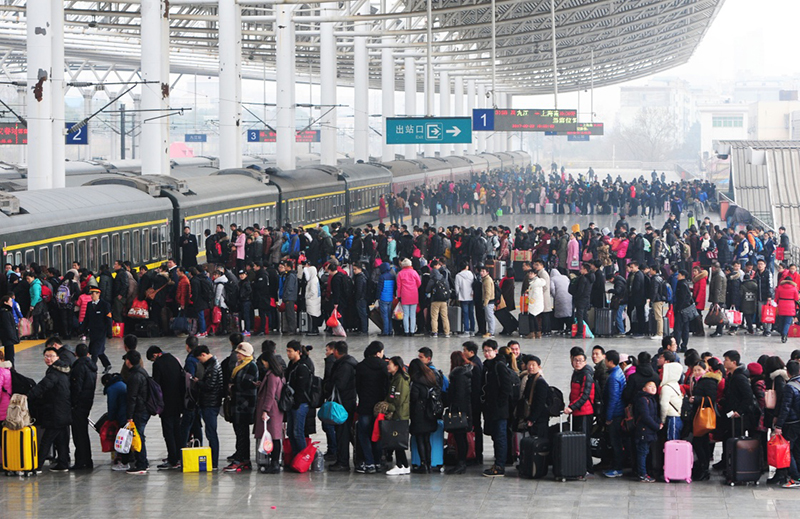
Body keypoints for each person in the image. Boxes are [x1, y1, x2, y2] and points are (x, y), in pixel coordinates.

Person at [28, 346, 72, 472]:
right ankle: (63, 463)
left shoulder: (54, 373)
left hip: (56, 412)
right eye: (46, 356)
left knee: (47, 440)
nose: (48, 359)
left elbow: (42, 387)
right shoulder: (63, 370)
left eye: (51, 356)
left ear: (57, 357)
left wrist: (27, 397)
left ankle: (37, 466)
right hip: (64, 410)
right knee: (62, 439)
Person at [146, 346, 185, 471]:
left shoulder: (158, 364)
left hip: (166, 404)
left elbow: (156, 386)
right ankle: (179, 457)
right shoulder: (173, 358)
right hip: (178, 402)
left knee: (168, 432)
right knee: (177, 430)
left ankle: (172, 459)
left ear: (155, 355)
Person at [223, 342, 259, 473]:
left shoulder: (251, 366)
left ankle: (241, 458)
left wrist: (233, 386)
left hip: (245, 406)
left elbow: (246, 384)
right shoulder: (239, 365)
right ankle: (242, 456)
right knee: (239, 432)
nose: (238, 355)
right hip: (237, 404)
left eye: (240, 353)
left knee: (242, 433)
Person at [355, 341, 389, 474]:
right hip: (379, 407)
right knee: (378, 434)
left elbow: (358, 386)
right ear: (378, 352)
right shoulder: (384, 366)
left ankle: (369, 462)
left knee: (364, 434)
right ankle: (378, 461)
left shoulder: (361, 366)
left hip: (365, 405)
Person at [481, 339, 512, 477]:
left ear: (495, 350)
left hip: (499, 409)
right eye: (485, 351)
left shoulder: (499, 366)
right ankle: (498, 461)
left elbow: (506, 387)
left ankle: (500, 465)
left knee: (500, 436)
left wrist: (500, 403)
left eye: (489, 351)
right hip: (490, 408)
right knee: (495, 436)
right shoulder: (487, 366)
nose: (487, 353)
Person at [326, 341, 358, 472]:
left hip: (343, 404)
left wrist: (328, 386)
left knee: (342, 433)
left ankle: (343, 461)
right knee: (345, 432)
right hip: (348, 401)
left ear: (336, 352)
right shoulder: (349, 363)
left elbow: (339, 384)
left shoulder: (344, 366)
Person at [564, 349, 595, 476]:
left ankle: (587, 467)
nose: (578, 363)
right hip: (577, 412)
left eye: (580, 360)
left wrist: (572, 407)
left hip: (584, 412)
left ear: (585, 361)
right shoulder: (576, 373)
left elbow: (585, 395)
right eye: (576, 360)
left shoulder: (586, 375)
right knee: (578, 440)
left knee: (583, 440)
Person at [190, 345, 222, 470]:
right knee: (210, 432)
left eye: (199, 358)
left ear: (204, 354)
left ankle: (214, 462)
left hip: (210, 404)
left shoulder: (212, 366)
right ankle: (213, 460)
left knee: (211, 432)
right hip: (210, 403)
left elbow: (209, 386)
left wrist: (198, 382)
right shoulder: (211, 364)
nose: (199, 361)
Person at [254, 347, 285, 474]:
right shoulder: (278, 373)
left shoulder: (272, 375)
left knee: (274, 437)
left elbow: (270, 394)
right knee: (274, 436)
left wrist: (265, 410)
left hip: (272, 410)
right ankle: (274, 462)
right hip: (275, 410)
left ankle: (274, 464)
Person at [408, 358, 439, 474]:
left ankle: (423, 463)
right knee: (427, 439)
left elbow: (414, 398)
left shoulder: (416, 381)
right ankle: (429, 464)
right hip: (430, 412)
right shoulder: (430, 377)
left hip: (419, 414)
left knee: (420, 439)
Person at [284, 341, 315, 458]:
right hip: (292, 403)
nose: (288, 353)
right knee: (290, 432)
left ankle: (303, 457)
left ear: (298, 352)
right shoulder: (291, 365)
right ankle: (296, 455)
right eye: (287, 351)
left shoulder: (302, 367)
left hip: (300, 404)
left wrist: (296, 402)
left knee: (298, 432)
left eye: (290, 351)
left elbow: (302, 387)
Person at [69, 343, 96, 471]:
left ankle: (81, 461)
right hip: (87, 402)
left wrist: (73, 403)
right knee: (83, 433)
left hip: (79, 404)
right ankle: (87, 460)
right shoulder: (92, 366)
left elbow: (76, 387)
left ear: (76, 354)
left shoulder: (79, 367)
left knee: (78, 434)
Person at [446, 350, 473, 475]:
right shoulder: (467, 372)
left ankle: (461, 463)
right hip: (466, 409)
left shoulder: (458, 375)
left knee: (459, 438)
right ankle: (462, 462)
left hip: (459, 410)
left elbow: (456, 394)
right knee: (462, 437)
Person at [383, 356, 411, 476]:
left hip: (399, 415)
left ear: (397, 366)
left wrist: (387, 406)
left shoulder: (400, 380)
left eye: (390, 364)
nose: (388, 366)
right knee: (396, 441)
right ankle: (402, 464)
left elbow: (398, 401)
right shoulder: (395, 378)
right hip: (396, 414)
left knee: (398, 441)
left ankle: (402, 465)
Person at [123, 350, 149, 475]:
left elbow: (132, 398)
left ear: (128, 361)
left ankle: (141, 464)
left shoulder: (134, 376)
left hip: (139, 410)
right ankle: (143, 461)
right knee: (140, 436)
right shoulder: (142, 372)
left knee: (138, 437)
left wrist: (129, 416)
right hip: (144, 408)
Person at [774, 360, 800, 488]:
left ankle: (795, 478)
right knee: (797, 450)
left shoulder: (790, 387)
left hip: (792, 423)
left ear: (787, 372)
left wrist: (779, 425)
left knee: (787, 451)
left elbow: (786, 408)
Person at [602, 350, 626, 478]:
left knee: (615, 441)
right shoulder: (618, 372)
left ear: (611, 362)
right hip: (618, 411)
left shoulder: (613, 378)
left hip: (616, 414)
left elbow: (613, 398)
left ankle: (617, 468)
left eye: (606, 359)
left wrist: (609, 417)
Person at [634, 380, 662, 482]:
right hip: (644, 430)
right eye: (650, 386)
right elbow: (645, 416)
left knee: (645, 451)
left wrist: (659, 423)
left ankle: (644, 472)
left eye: (654, 386)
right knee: (642, 452)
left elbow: (654, 415)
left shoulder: (652, 399)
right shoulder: (643, 399)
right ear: (644, 389)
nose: (653, 388)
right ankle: (642, 474)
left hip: (649, 430)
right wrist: (656, 426)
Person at [84, 287, 113, 374]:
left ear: (98, 294)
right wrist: (82, 329)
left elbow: (108, 319)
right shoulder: (89, 305)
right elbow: (87, 318)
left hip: (101, 332)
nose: (92, 295)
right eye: (91, 293)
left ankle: (93, 368)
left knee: (96, 351)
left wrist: (109, 332)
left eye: (94, 293)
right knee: (95, 350)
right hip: (92, 332)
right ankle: (107, 364)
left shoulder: (105, 305)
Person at [521, 355, 549, 438]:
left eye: (533, 365)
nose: (530, 367)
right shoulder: (530, 378)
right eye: (529, 365)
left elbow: (540, 402)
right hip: (533, 416)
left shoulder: (540, 382)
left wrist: (532, 419)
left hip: (539, 419)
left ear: (539, 367)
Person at [396, 258, 421, 336]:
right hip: (414, 295)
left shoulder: (400, 273)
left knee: (406, 314)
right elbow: (419, 283)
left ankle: (406, 331)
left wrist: (399, 296)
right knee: (413, 314)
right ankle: (412, 331)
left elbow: (399, 286)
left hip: (404, 295)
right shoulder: (414, 272)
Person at [660, 362, 684, 441]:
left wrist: (662, 420)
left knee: (672, 441)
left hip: (671, 417)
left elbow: (664, 405)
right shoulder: (675, 384)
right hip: (678, 416)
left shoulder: (666, 387)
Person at [775, 278, 800, 343]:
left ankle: (781, 331)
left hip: (781, 304)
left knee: (781, 321)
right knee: (787, 322)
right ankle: (784, 334)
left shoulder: (780, 287)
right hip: (790, 305)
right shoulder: (794, 288)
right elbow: (797, 298)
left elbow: (776, 297)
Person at [455, 262, 475, 337]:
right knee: (471, 314)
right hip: (471, 296)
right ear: (466, 267)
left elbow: (457, 287)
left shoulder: (458, 276)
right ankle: (472, 330)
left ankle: (466, 331)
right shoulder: (471, 274)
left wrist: (457, 295)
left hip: (463, 297)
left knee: (465, 314)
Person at [0, 294, 19, 366]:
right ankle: (11, 370)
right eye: (10, 301)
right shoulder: (5, 312)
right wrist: (13, 337)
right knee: (10, 356)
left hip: (8, 337)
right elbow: (8, 326)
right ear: (5, 302)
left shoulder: (6, 311)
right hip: (8, 337)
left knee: (10, 355)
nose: (12, 303)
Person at [480, 265, 496, 338]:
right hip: (488, 301)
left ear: (487, 272)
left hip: (489, 302)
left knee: (490, 317)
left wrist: (485, 303)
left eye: (483, 271)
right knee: (488, 317)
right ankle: (490, 331)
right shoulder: (485, 279)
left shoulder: (487, 280)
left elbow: (488, 293)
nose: (481, 273)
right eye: (481, 271)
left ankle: (491, 332)